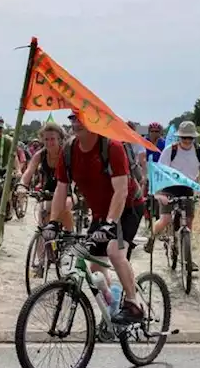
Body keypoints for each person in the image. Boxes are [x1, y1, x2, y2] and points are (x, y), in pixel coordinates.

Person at [46, 111, 148, 322]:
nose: (77, 122)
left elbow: (121, 191)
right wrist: (53, 223)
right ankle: (113, 304)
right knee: (93, 264)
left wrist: (110, 224)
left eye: (83, 118)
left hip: (127, 208)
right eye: (73, 118)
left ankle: (133, 304)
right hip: (101, 213)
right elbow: (61, 189)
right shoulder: (68, 151)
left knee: (114, 250)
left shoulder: (112, 147)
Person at [146, 120, 200, 266]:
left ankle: (187, 257)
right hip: (169, 187)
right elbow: (160, 172)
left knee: (188, 222)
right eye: (184, 137)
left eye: (190, 137)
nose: (187, 140)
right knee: (165, 219)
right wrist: (159, 194)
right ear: (179, 137)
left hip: (187, 188)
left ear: (194, 138)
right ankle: (151, 237)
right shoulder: (170, 150)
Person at [20, 122, 74, 276]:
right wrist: (22, 186)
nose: (50, 142)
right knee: (43, 222)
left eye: (53, 139)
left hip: (68, 190)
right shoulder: (40, 155)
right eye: (47, 139)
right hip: (49, 192)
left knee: (64, 206)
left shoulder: (67, 154)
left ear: (60, 139)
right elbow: (29, 172)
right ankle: (41, 260)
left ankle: (69, 240)